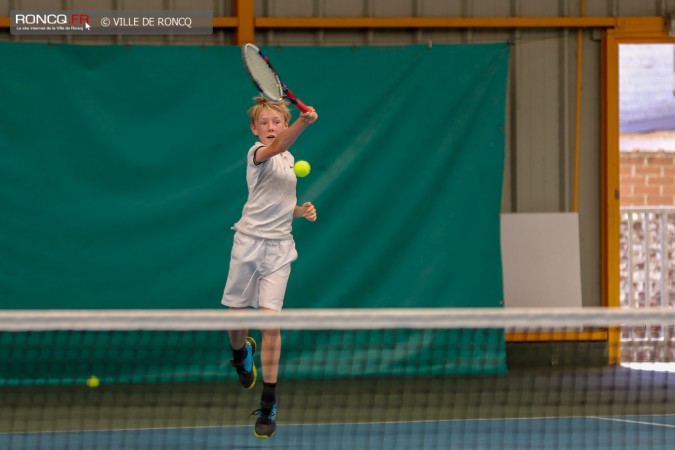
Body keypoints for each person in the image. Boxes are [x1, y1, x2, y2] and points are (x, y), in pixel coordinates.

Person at [221, 96, 318, 439]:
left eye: (277, 121)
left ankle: (268, 404)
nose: (271, 127)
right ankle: (240, 353)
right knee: (236, 317)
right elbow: (280, 145)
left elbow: (277, 203)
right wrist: (302, 123)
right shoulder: (258, 154)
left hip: (279, 249)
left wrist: (299, 210)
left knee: (271, 325)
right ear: (254, 128)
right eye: (264, 122)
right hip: (248, 243)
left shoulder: (289, 159)